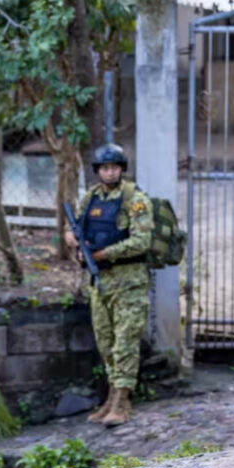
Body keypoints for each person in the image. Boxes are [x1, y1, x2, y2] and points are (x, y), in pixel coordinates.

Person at [64, 143, 153, 427]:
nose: (110, 172)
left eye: (114, 167)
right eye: (105, 168)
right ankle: (112, 397)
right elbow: (76, 227)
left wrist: (105, 253)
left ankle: (122, 402)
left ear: (121, 169)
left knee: (125, 343)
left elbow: (142, 241)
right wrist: (71, 239)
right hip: (100, 283)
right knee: (106, 343)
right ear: (98, 171)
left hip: (129, 282)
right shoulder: (90, 197)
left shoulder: (135, 199)